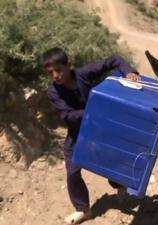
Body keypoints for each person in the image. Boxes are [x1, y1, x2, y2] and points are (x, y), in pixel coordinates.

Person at [42, 47, 140, 224]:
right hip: (78, 132)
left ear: (68, 66)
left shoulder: (83, 74)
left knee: (110, 160)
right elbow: (68, 116)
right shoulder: (53, 92)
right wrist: (94, 110)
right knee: (72, 171)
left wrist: (129, 72)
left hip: (100, 128)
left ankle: (120, 188)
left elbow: (114, 59)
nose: (56, 75)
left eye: (58, 70)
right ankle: (83, 209)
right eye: (51, 72)